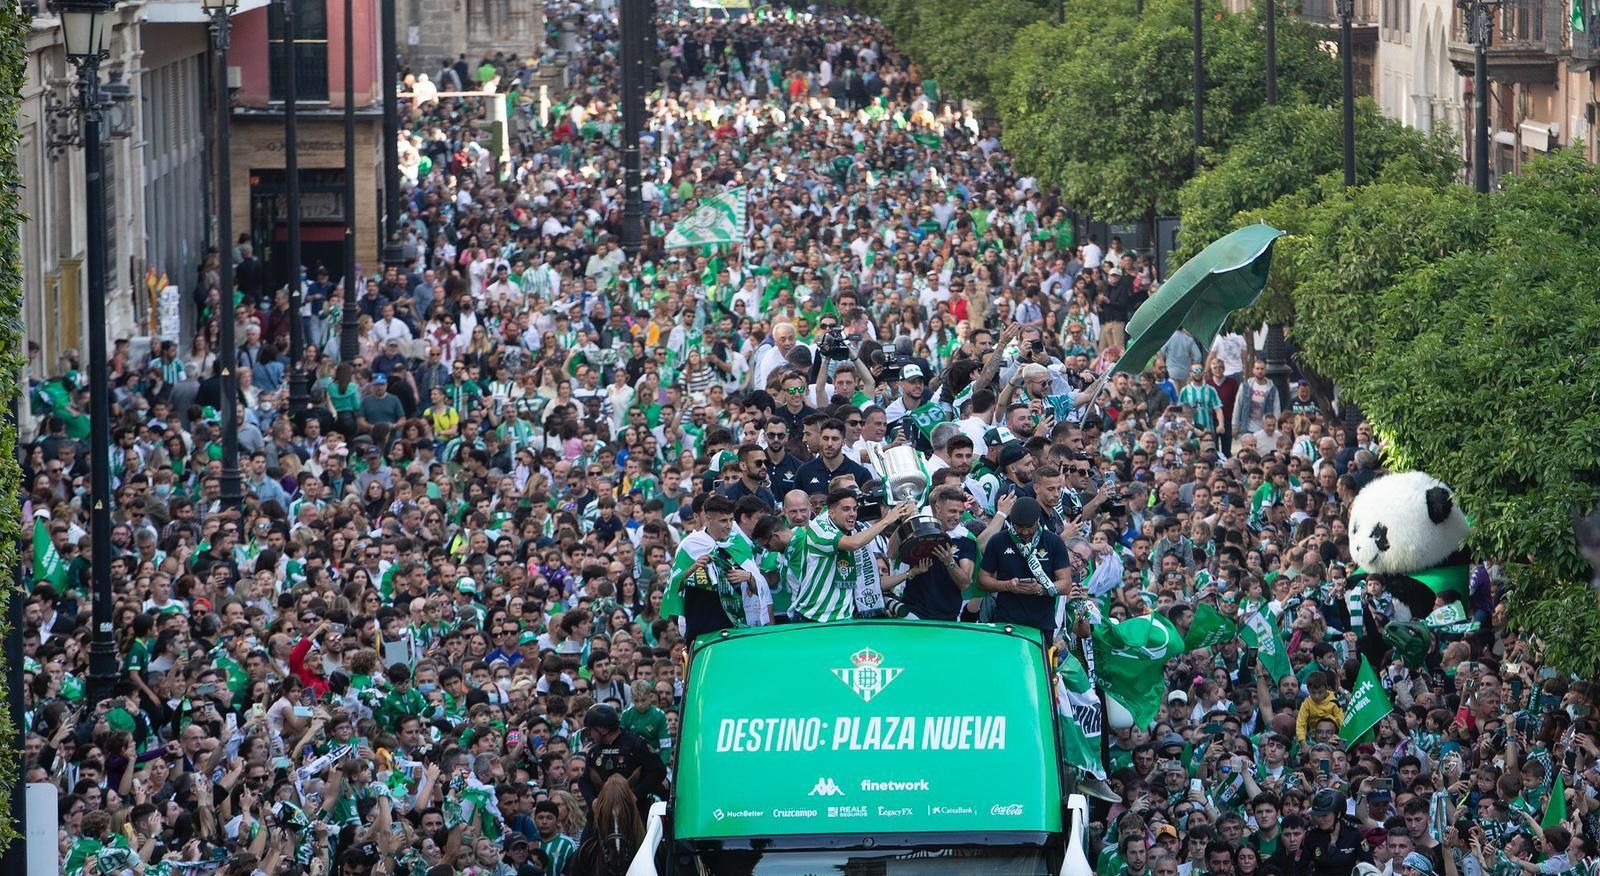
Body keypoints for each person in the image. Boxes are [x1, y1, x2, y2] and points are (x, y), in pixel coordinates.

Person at [977, 496, 1079, 634]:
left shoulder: (1054, 542)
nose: (1024, 532)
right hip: (1006, 621)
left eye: (1029, 527)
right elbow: (982, 580)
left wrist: (1041, 589)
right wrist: (1007, 586)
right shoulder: (998, 541)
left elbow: (1066, 584)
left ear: (1037, 520)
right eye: (1019, 526)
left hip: (1042, 624)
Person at [579, 704, 668, 814]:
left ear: (602, 729)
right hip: (603, 810)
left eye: (591, 729)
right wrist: (592, 800)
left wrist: (636, 794)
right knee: (588, 831)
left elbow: (658, 771)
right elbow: (584, 781)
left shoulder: (636, 745)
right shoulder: (594, 751)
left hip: (636, 809)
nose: (590, 734)